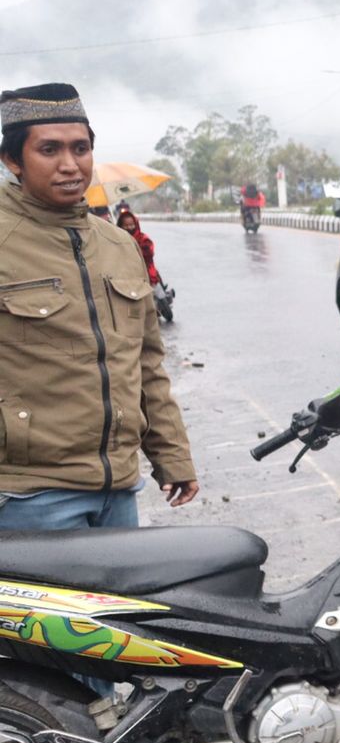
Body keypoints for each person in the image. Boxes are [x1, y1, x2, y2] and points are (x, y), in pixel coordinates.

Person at [0, 83, 199, 527]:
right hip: (26, 499)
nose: (70, 165)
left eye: (80, 148)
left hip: (119, 495)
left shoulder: (119, 245)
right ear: (12, 160)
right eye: (49, 149)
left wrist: (172, 456)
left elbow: (146, 362)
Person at [115, 205, 161, 285]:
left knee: (160, 295)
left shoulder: (144, 239)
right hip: (124, 278)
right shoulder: (116, 239)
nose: (129, 228)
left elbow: (149, 252)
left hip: (147, 276)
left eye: (131, 225)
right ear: (121, 226)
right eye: (126, 226)